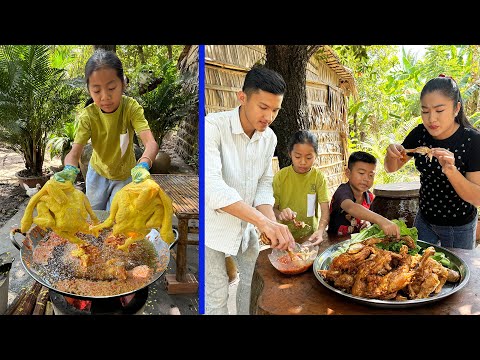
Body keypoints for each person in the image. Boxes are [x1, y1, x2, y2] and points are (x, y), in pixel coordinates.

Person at [205, 64, 295, 315]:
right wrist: (264, 223)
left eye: (275, 110)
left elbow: (263, 185)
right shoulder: (213, 126)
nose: (269, 117)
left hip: (246, 230)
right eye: (263, 107)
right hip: (213, 228)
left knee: (252, 286)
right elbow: (213, 188)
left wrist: (272, 225)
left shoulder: (270, 138)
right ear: (242, 97)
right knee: (216, 295)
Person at [55, 49, 159, 211]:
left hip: (125, 176)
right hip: (97, 175)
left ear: (123, 84)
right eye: (97, 90)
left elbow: (150, 143)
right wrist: (69, 169)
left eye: (111, 88)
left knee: (116, 218)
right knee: (94, 215)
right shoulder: (88, 116)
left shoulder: (131, 108)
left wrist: (143, 165)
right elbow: (74, 153)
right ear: (89, 90)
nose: (105, 96)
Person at [384, 75, 480, 249]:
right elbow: (391, 168)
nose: (431, 119)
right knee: (419, 267)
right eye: (425, 111)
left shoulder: (472, 140)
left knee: (455, 273)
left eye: (439, 110)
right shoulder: (420, 134)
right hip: (425, 220)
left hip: (459, 226)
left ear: (456, 108)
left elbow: (476, 198)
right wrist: (391, 155)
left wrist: (451, 170)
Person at [273, 130, 330, 245]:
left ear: (316, 156)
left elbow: (325, 211)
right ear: (290, 154)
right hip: (284, 237)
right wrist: (280, 214)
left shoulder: (318, 178)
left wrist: (320, 230)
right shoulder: (280, 177)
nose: (303, 162)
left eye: (309, 158)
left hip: (309, 237)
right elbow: (272, 209)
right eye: (297, 156)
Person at [328, 151, 400, 237]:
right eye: (361, 173)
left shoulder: (369, 196)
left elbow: (369, 216)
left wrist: (367, 223)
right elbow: (351, 207)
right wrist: (381, 220)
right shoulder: (342, 192)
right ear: (348, 173)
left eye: (371, 175)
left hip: (358, 244)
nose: (366, 179)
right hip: (335, 243)